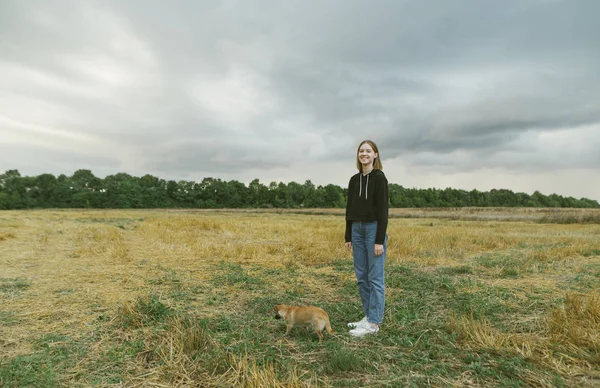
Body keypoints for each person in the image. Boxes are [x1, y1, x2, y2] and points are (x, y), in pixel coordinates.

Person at [344, 140, 389, 337]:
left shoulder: (380, 178)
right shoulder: (354, 180)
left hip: (373, 230)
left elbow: (383, 212)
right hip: (356, 229)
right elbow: (349, 209)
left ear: (375, 155)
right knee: (362, 277)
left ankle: (374, 323)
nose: (364, 154)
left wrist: (379, 240)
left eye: (368, 151)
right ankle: (367, 316)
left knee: (375, 277)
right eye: (361, 151)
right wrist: (348, 235)